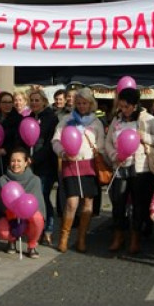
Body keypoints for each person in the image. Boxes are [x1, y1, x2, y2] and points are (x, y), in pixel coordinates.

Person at [103, 87, 154, 254]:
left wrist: (144, 136)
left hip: (140, 168)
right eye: (121, 106)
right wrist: (113, 154)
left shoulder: (148, 119)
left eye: (126, 106)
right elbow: (108, 142)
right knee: (118, 202)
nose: (123, 110)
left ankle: (135, 238)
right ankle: (118, 236)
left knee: (139, 204)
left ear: (135, 105)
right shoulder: (116, 120)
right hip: (120, 166)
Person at [51, 87, 105, 253]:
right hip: (70, 164)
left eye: (85, 103)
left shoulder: (96, 122)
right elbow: (56, 140)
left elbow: (101, 144)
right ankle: (64, 237)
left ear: (91, 104)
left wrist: (96, 149)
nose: (82, 106)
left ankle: (82, 238)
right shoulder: (66, 120)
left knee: (88, 203)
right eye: (79, 103)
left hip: (88, 165)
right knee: (72, 202)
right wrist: (63, 152)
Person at [0, 146, 46, 257]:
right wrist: (15, 220)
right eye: (13, 161)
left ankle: (32, 245)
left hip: (30, 217)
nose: (15, 164)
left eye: (19, 161)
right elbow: (2, 205)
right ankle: (11, 241)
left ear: (26, 162)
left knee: (38, 218)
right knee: (2, 231)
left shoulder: (35, 180)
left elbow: (37, 205)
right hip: (10, 217)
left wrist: (24, 218)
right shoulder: (2, 180)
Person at [25, 89, 58, 245]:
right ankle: (35, 228)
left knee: (43, 196)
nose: (34, 103)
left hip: (45, 165)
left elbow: (49, 144)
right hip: (29, 164)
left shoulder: (51, 118)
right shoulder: (28, 118)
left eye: (37, 100)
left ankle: (48, 230)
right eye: (32, 100)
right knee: (32, 198)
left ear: (44, 101)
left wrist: (34, 159)